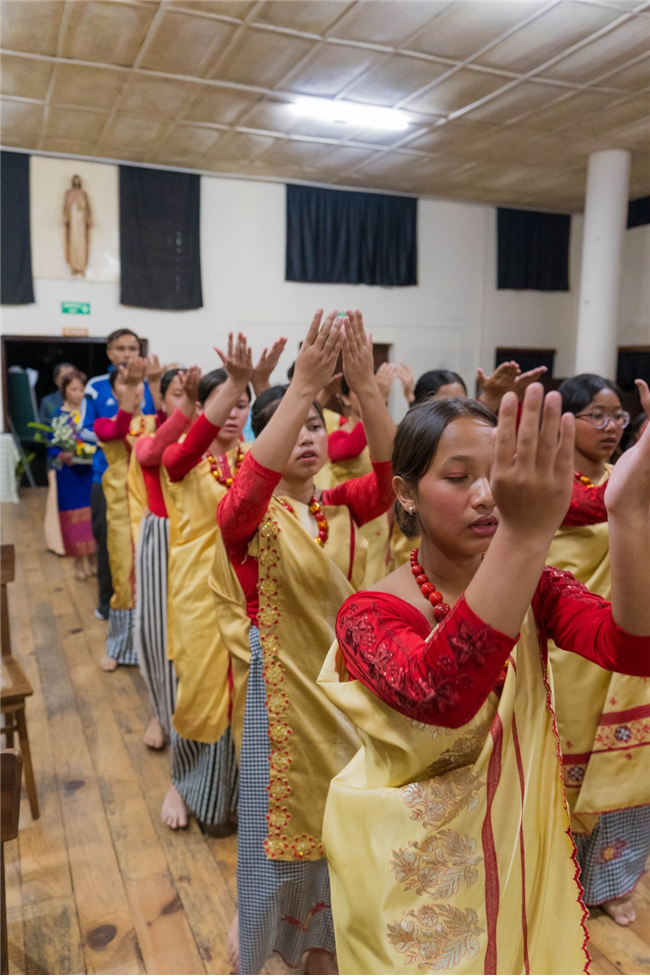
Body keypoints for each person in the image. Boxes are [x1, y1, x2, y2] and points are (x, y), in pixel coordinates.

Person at [317, 385, 650, 975]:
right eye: (457, 477)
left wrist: (628, 511)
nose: (486, 496)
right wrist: (524, 535)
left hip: (515, 846)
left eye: (497, 475)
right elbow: (440, 697)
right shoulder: (368, 613)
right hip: (409, 869)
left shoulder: (536, 587)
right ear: (405, 493)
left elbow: (631, 647)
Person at [210, 309, 396, 975]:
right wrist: (298, 390)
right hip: (283, 705)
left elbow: (394, 478)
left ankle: (329, 946)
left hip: (355, 699)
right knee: (277, 842)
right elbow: (240, 502)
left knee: (344, 835)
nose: (309, 436)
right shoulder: (254, 520)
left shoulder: (343, 507)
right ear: (266, 437)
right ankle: (269, 944)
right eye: (294, 425)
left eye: (318, 423)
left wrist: (367, 390)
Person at [547, 373, 650, 926]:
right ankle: (559, 879)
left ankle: (613, 879)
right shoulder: (545, 484)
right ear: (566, 420)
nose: (611, 427)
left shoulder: (625, 476)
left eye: (619, 416)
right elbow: (602, 506)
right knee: (564, 773)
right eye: (597, 415)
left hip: (630, 645)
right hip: (572, 653)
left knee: (628, 773)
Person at [160, 336, 253, 832]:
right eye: (226, 403)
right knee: (197, 689)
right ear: (203, 407)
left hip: (245, 591)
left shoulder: (256, 458)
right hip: (197, 588)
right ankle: (181, 780)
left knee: (242, 693)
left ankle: (226, 790)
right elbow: (173, 459)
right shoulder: (185, 457)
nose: (235, 413)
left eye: (243, 404)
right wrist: (235, 378)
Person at [132, 366, 200, 753]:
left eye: (192, 394)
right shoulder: (151, 433)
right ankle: (161, 713)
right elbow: (153, 454)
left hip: (205, 542)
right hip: (164, 538)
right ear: (160, 400)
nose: (187, 401)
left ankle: (188, 718)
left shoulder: (213, 435)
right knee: (159, 634)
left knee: (197, 641)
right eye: (177, 393)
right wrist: (188, 408)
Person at [85, 329, 159, 620]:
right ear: (109, 352)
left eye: (132, 348)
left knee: (146, 544)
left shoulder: (147, 385)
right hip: (105, 478)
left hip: (146, 484)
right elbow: (93, 430)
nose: (127, 353)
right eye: (120, 348)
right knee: (110, 544)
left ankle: (147, 609)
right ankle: (108, 604)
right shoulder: (97, 386)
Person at [93, 358, 158, 672]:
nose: (133, 387)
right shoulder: (104, 423)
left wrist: (153, 385)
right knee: (123, 572)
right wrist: (134, 390)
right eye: (124, 382)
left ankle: (154, 646)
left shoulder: (155, 421)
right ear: (114, 391)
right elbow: (119, 430)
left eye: (137, 382)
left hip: (154, 507)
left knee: (154, 573)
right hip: (120, 506)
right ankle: (119, 646)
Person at [327, 363, 397, 585]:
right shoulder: (337, 431)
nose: (369, 392)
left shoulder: (387, 432)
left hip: (379, 525)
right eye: (361, 389)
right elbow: (348, 450)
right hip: (347, 523)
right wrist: (375, 400)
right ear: (345, 399)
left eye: (374, 387)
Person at [47, 369, 97, 580]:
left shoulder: (91, 410)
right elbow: (50, 445)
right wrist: (62, 454)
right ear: (64, 391)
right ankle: (78, 562)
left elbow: (98, 436)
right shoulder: (58, 415)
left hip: (89, 471)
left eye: (81, 389)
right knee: (72, 519)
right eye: (74, 389)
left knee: (92, 516)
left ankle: (94, 559)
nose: (78, 393)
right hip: (68, 475)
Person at [41, 361, 76, 556]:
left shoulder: (84, 400)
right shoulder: (49, 402)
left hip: (80, 464)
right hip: (57, 461)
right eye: (64, 376)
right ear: (56, 381)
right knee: (56, 503)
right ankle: (58, 544)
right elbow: (45, 432)